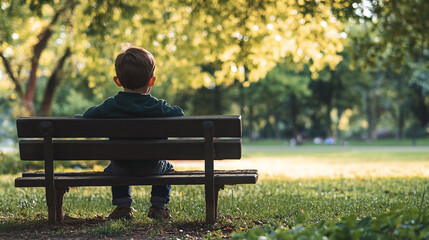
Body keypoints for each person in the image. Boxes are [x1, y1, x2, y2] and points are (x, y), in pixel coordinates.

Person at [82, 46, 184, 220]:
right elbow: (179, 114)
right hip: (152, 166)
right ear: (152, 81)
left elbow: (88, 115)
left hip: (122, 167)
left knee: (113, 167)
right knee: (168, 168)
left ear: (118, 81)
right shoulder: (158, 107)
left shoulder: (111, 106)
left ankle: (123, 207)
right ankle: (159, 206)